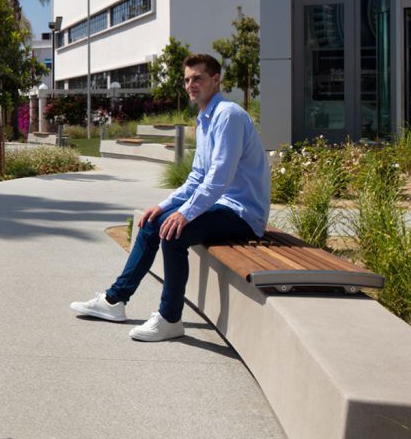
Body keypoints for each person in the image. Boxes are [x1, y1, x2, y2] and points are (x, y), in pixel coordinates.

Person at [70, 53, 270, 341]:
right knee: (152, 222)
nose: (191, 84)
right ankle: (115, 301)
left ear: (216, 80)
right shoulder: (205, 118)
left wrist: (185, 213)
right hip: (221, 207)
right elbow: (196, 178)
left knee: (175, 233)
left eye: (198, 78)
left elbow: (219, 179)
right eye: (187, 79)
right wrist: (165, 205)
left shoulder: (229, 115)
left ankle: (170, 318)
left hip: (243, 215)